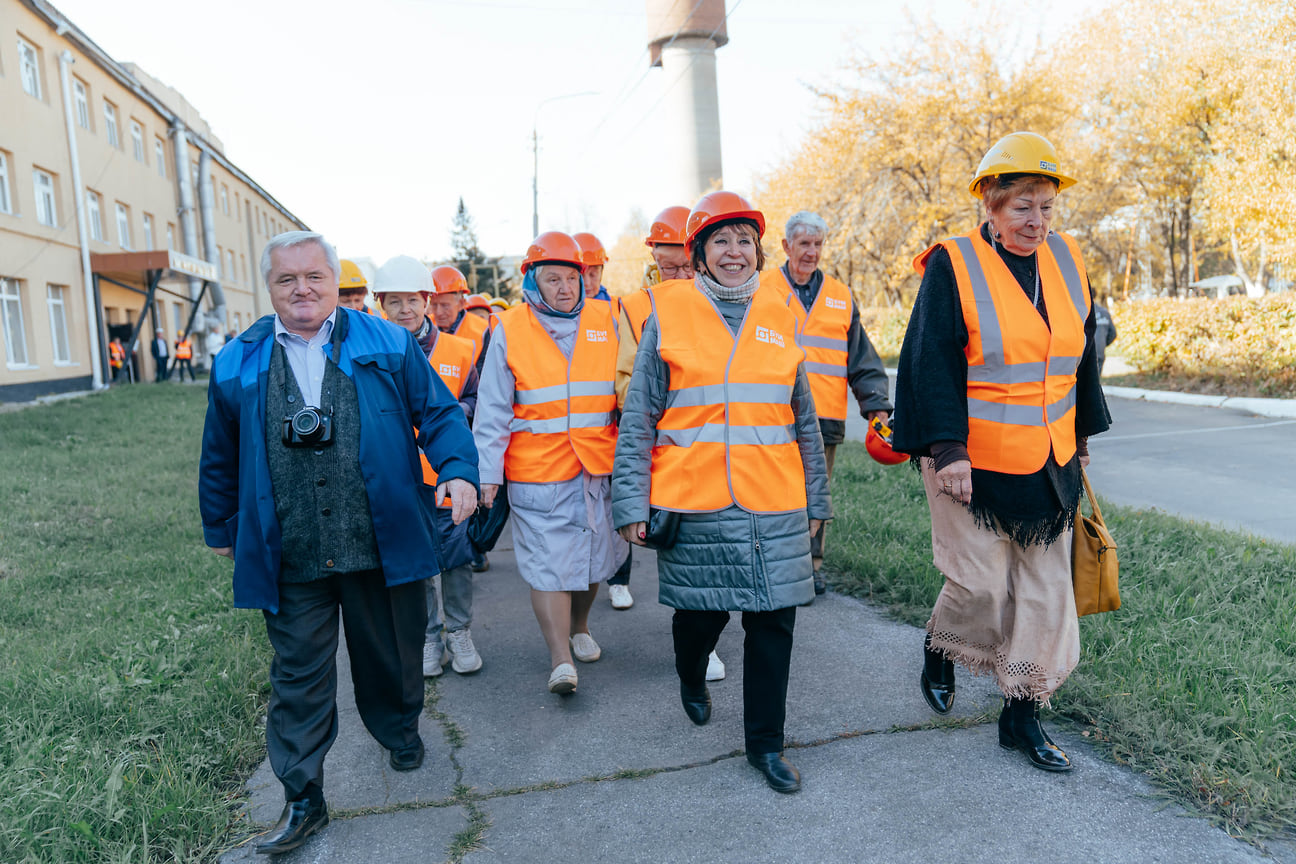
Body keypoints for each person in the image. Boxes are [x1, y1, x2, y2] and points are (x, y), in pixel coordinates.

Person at [198, 231, 478, 854]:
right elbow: (219, 453)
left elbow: (438, 413)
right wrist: (221, 527)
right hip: (289, 550)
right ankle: (304, 799)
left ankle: (400, 728)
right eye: (287, 280)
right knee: (297, 675)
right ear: (268, 288)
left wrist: (457, 469)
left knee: (393, 658)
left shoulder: (387, 341)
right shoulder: (238, 360)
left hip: (378, 539)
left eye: (314, 277)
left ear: (332, 279)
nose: (302, 289)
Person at [892, 132, 1111, 773]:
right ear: (989, 203)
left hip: (1049, 458)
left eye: (1045, 205)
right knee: (983, 584)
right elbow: (928, 361)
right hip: (968, 461)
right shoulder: (952, 264)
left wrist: (1083, 438)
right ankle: (943, 644)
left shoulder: (1069, 260)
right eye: (1021, 207)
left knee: (1047, 593)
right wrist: (948, 449)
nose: (1036, 221)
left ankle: (1022, 716)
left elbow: (1078, 358)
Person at [612, 191, 831, 794]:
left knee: (773, 628)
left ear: (758, 250)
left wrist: (819, 502)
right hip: (695, 501)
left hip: (776, 500)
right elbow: (639, 419)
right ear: (700, 254)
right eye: (720, 241)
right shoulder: (669, 315)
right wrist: (631, 504)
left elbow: (803, 417)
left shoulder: (782, 315)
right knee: (699, 618)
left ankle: (767, 746)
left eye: (744, 241)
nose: (734, 253)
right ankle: (690, 672)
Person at [473, 231, 619, 696]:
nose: (564, 288)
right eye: (552, 278)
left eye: (572, 277)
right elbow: (493, 408)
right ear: (532, 283)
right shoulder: (510, 329)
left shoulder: (609, 318)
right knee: (548, 566)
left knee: (596, 561)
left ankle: (581, 627)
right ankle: (560, 660)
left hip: (597, 465)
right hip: (538, 471)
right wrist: (487, 474)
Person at [613, 205, 724, 680]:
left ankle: (706, 637)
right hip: (670, 446)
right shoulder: (636, 307)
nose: (678, 273)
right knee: (685, 550)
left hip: (721, 442)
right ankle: (700, 645)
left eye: (686, 263)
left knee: (721, 545)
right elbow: (622, 383)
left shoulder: (724, 299)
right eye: (669, 264)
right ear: (653, 257)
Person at [760, 211, 892, 596]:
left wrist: (877, 407)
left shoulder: (840, 295)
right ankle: (774, 564)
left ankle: (811, 567)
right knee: (773, 491)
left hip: (825, 417)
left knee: (816, 494)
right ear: (786, 247)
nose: (812, 252)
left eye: (818, 245)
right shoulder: (761, 289)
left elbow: (862, 358)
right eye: (804, 244)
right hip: (772, 414)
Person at [372, 255, 484, 678]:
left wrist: (455, 410)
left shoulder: (458, 349)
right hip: (399, 480)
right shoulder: (371, 351)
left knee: (455, 558)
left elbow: (476, 399)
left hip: (447, 478)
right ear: (381, 304)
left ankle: (459, 631)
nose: (405, 310)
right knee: (415, 561)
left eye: (413, 300)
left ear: (427, 300)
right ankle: (428, 636)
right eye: (395, 301)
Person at [574, 231, 637, 612]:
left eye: (594, 270)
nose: (589, 278)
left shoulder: (616, 309)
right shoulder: (561, 312)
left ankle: (620, 579)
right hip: (582, 429)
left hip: (615, 421)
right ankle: (586, 574)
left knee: (620, 504)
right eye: (583, 271)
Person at [429, 265, 491, 374]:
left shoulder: (483, 331)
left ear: (461, 304)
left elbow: (485, 377)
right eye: (434, 305)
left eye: (445, 306)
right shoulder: (425, 327)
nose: (438, 312)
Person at [1093, 300, 1117, 374]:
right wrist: (1103, 343)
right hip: (1100, 351)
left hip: (1085, 354)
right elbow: (1113, 333)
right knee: (1097, 380)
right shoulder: (1104, 312)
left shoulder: (1083, 311)